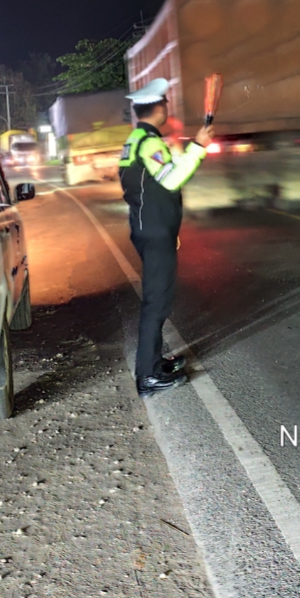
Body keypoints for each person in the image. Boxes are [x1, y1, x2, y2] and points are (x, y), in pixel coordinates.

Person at [118, 78, 214, 397]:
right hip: (153, 230)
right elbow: (171, 180)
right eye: (165, 104)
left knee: (159, 300)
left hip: (151, 228)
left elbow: (144, 188)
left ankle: (156, 363)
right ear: (158, 108)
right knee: (156, 302)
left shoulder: (135, 140)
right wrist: (198, 147)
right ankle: (147, 376)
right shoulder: (148, 143)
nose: (167, 108)